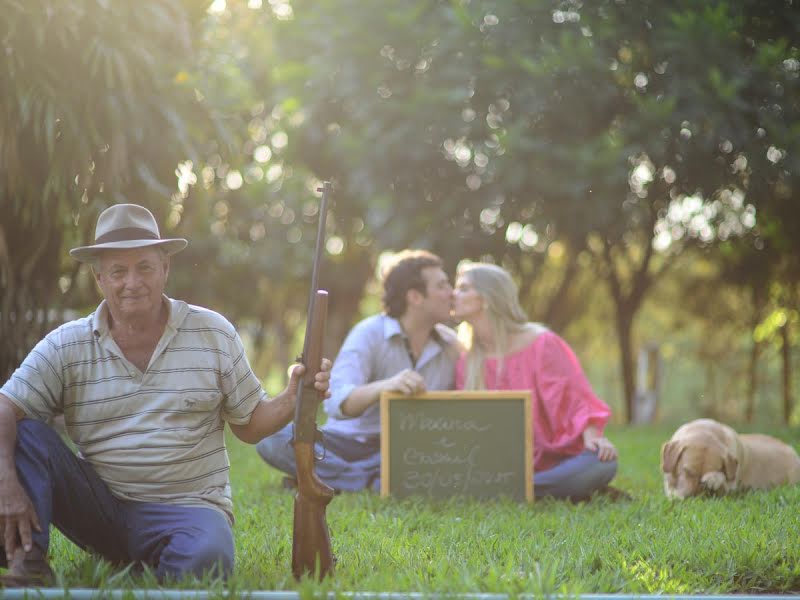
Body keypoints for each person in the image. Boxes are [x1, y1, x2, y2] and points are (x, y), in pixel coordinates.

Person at [0, 204, 331, 586]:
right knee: (24, 433)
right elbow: (5, 406)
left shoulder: (213, 333)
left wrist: (295, 395)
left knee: (206, 562)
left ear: (165, 268)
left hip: (189, 508)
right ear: (99, 278)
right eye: (118, 271)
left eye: (144, 267)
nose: (132, 282)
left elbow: (251, 425)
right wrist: (6, 484)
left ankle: (154, 564)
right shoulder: (66, 344)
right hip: (101, 508)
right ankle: (30, 566)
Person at [257, 249, 458, 492]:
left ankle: (333, 478)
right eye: (443, 286)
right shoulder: (370, 333)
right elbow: (336, 401)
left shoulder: (452, 346)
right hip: (346, 443)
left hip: (404, 450)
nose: (452, 293)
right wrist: (385, 386)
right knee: (271, 439)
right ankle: (369, 481)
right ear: (415, 296)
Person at [452, 262, 619, 501]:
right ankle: (548, 490)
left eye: (463, 288)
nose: (453, 294)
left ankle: (517, 492)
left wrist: (593, 438)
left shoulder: (542, 343)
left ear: (486, 298)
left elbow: (575, 397)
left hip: (557, 460)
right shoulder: (467, 361)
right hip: (499, 468)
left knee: (603, 464)